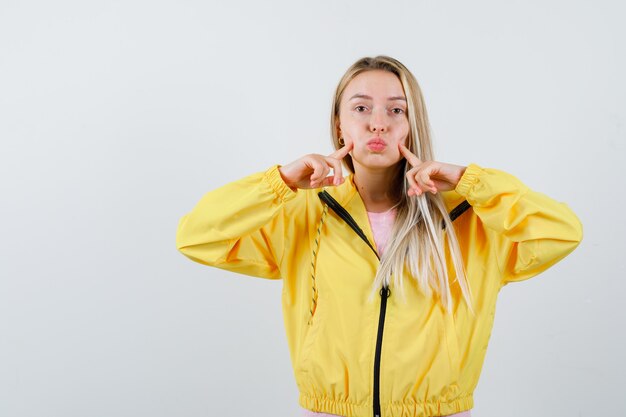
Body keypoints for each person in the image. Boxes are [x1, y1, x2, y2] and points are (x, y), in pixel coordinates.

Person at [175, 55, 583, 417]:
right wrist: (281, 181)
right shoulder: (303, 212)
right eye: (361, 107)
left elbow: (561, 232)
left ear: (412, 123)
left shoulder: (468, 215)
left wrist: (470, 181)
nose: (378, 122)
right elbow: (196, 236)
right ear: (339, 124)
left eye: (396, 110)